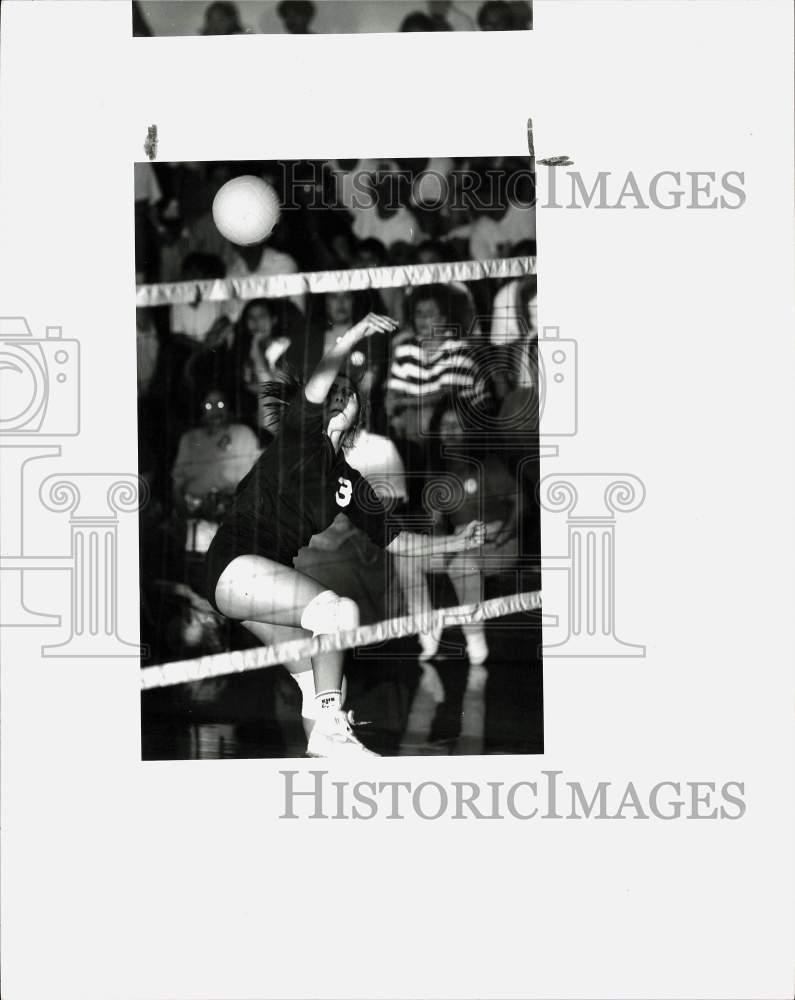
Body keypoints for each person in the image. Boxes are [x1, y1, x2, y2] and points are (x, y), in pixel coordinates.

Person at [204, 313, 486, 758]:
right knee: (337, 612)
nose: (338, 396)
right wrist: (353, 335)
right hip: (236, 564)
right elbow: (321, 380)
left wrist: (457, 542)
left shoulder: (349, 481)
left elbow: (396, 540)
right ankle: (332, 734)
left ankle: (323, 763)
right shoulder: (300, 436)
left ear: (357, 414)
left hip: (261, 579)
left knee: (323, 684)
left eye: (347, 394)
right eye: (332, 391)